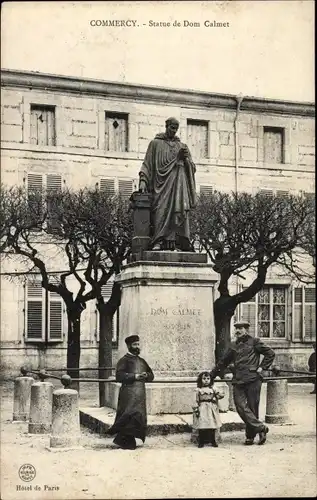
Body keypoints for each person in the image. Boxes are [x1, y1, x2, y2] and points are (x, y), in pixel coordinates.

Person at [210, 319, 275, 446]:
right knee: (239, 406)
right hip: (238, 379)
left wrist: (262, 368)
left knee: (252, 407)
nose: (238, 331)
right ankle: (261, 428)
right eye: (236, 328)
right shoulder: (233, 345)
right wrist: (210, 375)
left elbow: (270, 354)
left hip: (253, 379)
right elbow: (223, 362)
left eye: (241, 328)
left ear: (246, 329)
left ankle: (250, 436)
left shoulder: (254, 342)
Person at [138, 117, 197, 252]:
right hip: (160, 186)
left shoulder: (182, 146)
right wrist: (143, 181)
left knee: (180, 210)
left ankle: (179, 242)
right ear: (166, 126)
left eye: (176, 128)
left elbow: (192, 168)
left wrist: (186, 159)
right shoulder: (155, 144)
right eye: (172, 127)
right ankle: (158, 240)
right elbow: (147, 164)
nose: (174, 131)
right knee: (160, 211)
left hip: (179, 185)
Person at [107, 335, 154, 449]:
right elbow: (119, 376)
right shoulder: (124, 360)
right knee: (128, 415)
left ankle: (130, 440)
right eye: (134, 344)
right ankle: (125, 441)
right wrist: (135, 376)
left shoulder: (142, 361)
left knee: (139, 416)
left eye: (138, 344)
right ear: (128, 346)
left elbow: (151, 375)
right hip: (128, 394)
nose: (137, 346)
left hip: (140, 395)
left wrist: (146, 375)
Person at [193, 371, 224, 448]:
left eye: (208, 378)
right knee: (202, 424)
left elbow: (221, 395)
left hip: (211, 408)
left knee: (212, 424)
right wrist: (196, 408)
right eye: (204, 378)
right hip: (202, 408)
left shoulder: (213, 388)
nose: (206, 380)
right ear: (200, 380)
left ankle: (213, 440)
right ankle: (201, 441)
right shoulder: (198, 390)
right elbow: (196, 400)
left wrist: (217, 394)